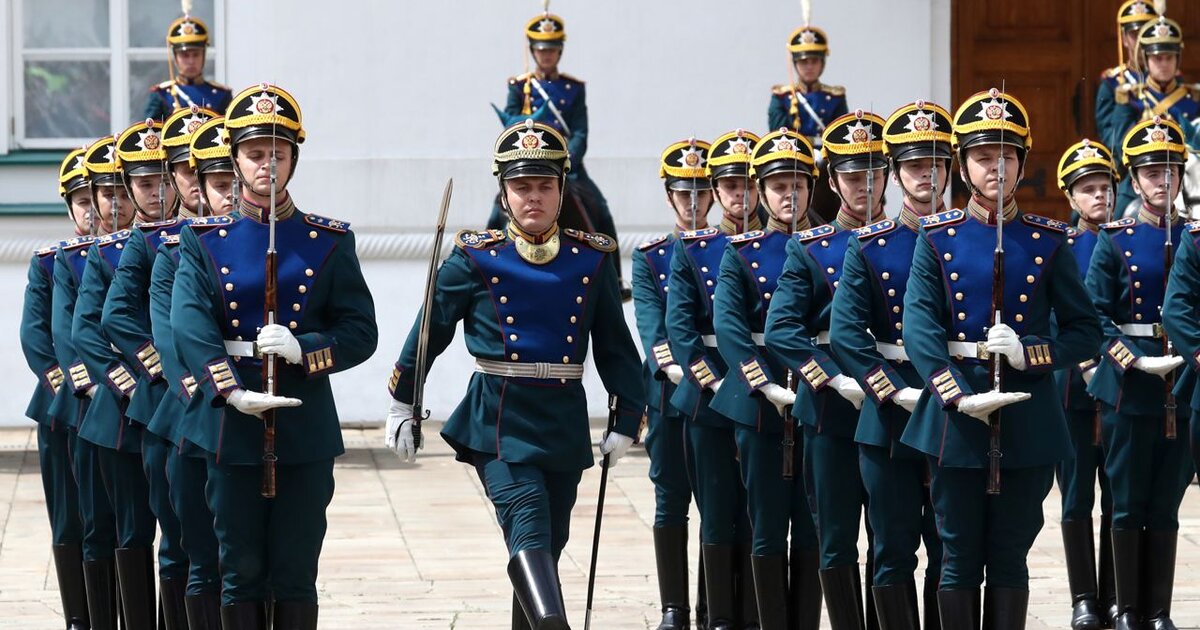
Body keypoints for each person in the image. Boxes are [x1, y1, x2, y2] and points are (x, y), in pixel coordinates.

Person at [385, 118, 643, 629]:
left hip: (563, 420)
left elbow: (615, 345)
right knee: (527, 521)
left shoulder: (589, 260)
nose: (533, 198)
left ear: (561, 189)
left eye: (544, 186)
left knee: (546, 544)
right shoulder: (476, 258)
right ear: (503, 193)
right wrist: (403, 402)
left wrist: (628, 413)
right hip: (498, 421)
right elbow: (429, 327)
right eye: (521, 186)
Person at [172, 83, 379, 627]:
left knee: (294, 570)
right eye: (256, 154)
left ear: (294, 159)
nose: (268, 165)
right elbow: (189, 324)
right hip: (229, 422)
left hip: (302, 420)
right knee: (237, 568)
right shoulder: (203, 239)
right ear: (235, 159)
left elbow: (360, 330)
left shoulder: (327, 241)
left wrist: (304, 349)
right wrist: (229, 389)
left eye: (279, 154)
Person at [899, 89, 1101, 628]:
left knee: (1011, 554)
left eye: (1007, 156)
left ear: (1021, 165)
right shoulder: (937, 239)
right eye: (984, 157)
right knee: (958, 552)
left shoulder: (1047, 240)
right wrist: (954, 393)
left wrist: (1031, 354)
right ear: (963, 166)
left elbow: (1085, 333)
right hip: (955, 416)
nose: (997, 167)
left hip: (1027, 412)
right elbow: (919, 327)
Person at [828, 101, 953, 630]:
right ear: (895, 175)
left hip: (953, 407)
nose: (926, 175)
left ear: (951, 169)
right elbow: (846, 333)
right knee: (892, 545)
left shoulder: (963, 239)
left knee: (950, 547)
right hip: (893, 411)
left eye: (935, 164)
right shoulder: (871, 246)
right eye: (912, 166)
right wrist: (886, 388)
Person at [765, 111, 887, 630]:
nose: (864, 186)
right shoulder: (809, 248)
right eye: (852, 176)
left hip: (890, 407)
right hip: (832, 409)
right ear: (833, 181)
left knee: (892, 535)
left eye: (874, 174)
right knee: (834, 538)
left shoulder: (910, 241)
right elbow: (782, 330)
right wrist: (830, 377)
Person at [102, 107, 210, 629]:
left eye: (201, 168)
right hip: (167, 407)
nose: (192, 181)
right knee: (177, 537)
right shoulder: (149, 242)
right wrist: (164, 366)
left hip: (224, 402)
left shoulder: (232, 238)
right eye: (183, 170)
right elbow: (116, 315)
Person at [711, 128, 822, 630]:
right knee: (766, 524)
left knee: (816, 525)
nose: (788, 193)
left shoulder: (833, 246)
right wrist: (763, 384)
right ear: (761, 189)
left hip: (820, 394)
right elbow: (730, 329)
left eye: (798, 182)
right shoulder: (742, 250)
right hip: (762, 400)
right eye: (778, 184)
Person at [1087, 116, 1194, 630]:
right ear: (1134, 181)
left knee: (1167, 502)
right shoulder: (1115, 239)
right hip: (1130, 384)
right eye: (1152, 172)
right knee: (1126, 502)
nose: (1162, 181)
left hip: (1181, 381)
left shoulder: (1194, 237)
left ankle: (1160, 612)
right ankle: (1126, 608)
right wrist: (1132, 356)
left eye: (1171, 170)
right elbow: (1092, 316)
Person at [74, 118, 173, 630]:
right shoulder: (108, 253)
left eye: (161, 180)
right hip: (119, 413)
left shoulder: (185, 243)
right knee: (129, 532)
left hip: (173, 408)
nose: (153, 193)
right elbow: (88, 331)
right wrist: (137, 376)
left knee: (181, 537)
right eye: (142, 184)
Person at [144, 114, 236, 629]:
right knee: (185, 544)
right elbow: (169, 333)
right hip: (183, 410)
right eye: (183, 169)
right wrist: (206, 386)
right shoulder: (168, 245)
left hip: (243, 412)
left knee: (245, 555)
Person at [487, 7, 625, 297]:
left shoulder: (573, 88)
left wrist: (568, 160)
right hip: (527, 160)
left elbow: (580, 131)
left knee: (599, 207)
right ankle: (483, 261)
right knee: (497, 208)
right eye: (541, 50)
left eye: (551, 50)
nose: (546, 55)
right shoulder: (519, 86)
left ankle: (615, 278)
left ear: (559, 52)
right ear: (534, 52)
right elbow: (509, 124)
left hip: (564, 164)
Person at [634, 137, 711, 630]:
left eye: (701, 190)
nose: (692, 200)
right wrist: (685, 370)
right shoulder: (651, 256)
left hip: (720, 395)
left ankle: (713, 604)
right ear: (669, 196)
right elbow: (652, 329)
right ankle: (673, 608)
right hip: (670, 392)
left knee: (720, 501)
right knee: (670, 500)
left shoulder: (733, 250)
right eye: (682, 192)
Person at [21, 148, 94, 629]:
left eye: (99, 195)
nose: (92, 207)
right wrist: (71, 384)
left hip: (118, 403)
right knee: (70, 516)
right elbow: (37, 339)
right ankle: (77, 616)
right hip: (63, 408)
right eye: (81, 199)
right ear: (67, 206)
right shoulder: (50, 263)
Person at [1052, 138, 1121, 630]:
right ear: (1070, 197)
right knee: (1077, 495)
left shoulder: (1128, 240)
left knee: (1119, 494)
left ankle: (1116, 596)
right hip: (1074, 392)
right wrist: (1079, 364)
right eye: (1088, 189)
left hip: (1121, 386)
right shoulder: (1059, 245)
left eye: (1105, 187)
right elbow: (1052, 315)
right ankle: (1083, 598)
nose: (1099, 197)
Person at [1102, 16, 1200, 215]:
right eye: (1157, 58)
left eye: (1169, 57)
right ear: (1146, 59)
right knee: (1116, 215)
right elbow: (1120, 149)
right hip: (1140, 180)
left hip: (1188, 178)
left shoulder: (1194, 98)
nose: (1163, 64)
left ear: (1177, 59)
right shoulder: (1130, 97)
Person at [768, 23, 847, 224]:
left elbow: (840, 133)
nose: (809, 66)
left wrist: (824, 152)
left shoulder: (835, 96)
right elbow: (778, 131)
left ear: (822, 63)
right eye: (804, 62)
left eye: (814, 61)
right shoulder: (782, 96)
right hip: (793, 153)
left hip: (826, 155)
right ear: (795, 64)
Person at [143, 12, 231, 121]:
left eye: (196, 54)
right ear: (175, 57)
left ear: (203, 55)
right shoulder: (161, 95)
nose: (191, 61)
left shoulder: (221, 95)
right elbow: (150, 133)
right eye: (185, 55)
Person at [1094, 1, 1158, 150]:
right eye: (1135, 34)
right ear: (1124, 39)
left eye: (1146, 33)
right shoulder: (1112, 82)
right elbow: (1111, 138)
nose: (1141, 41)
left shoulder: (1170, 80)